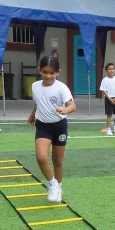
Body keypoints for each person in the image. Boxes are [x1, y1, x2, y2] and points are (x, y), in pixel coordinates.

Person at [29, 56, 76, 203]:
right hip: (43, 125)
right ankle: (52, 184)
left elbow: (72, 105)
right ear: (39, 70)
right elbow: (38, 102)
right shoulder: (35, 86)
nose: (48, 76)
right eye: (45, 72)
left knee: (58, 160)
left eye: (52, 73)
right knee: (41, 157)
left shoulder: (62, 88)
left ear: (58, 72)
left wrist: (65, 110)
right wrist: (32, 114)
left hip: (59, 126)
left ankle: (59, 187)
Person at [99, 63, 115, 136]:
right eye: (109, 69)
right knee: (109, 115)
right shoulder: (104, 80)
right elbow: (104, 91)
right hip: (109, 99)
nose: (111, 70)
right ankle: (108, 129)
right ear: (106, 71)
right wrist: (110, 99)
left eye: (112, 69)